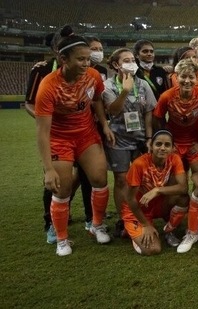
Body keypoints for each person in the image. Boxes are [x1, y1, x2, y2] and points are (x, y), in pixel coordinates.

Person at [35, 33, 114, 256]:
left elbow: (97, 100)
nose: (86, 63)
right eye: (80, 59)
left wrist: (105, 125)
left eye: (88, 59)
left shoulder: (93, 76)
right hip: (60, 139)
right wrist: (48, 169)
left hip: (87, 135)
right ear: (63, 59)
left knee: (99, 179)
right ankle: (62, 239)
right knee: (62, 188)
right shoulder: (48, 86)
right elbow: (42, 132)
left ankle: (96, 225)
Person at [103, 47, 157, 239]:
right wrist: (125, 90)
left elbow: (149, 112)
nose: (131, 63)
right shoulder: (108, 85)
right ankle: (123, 218)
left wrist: (149, 137)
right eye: (126, 60)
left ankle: (141, 214)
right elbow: (113, 110)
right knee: (121, 180)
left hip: (140, 139)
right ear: (116, 65)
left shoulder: (143, 84)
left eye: (132, 59)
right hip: (118, 139)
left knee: (140, 180)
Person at [122, 130, 190, 255]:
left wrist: (157, 190)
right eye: (158, 144)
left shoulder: (175, 159)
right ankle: (133, 229)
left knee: (183, 198)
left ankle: (169, 230)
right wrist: (145, 224)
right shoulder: (139, 164)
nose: (162, 148)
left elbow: (183, 188)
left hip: (157, 204)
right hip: (137, 209)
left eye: (167, 145)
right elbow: (130, 199)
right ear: (151, 146)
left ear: (172, 148)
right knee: (153, 249)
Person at [153, 59, 198, 174]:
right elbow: (157, 119)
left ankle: (196, 193)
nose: (187, 81)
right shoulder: (166, 96)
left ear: (197, 78)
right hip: (174, 142)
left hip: (194, 142)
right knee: (177, 177)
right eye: (183, 76)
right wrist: (168, 142)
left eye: (191, 77)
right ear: (176, 77)